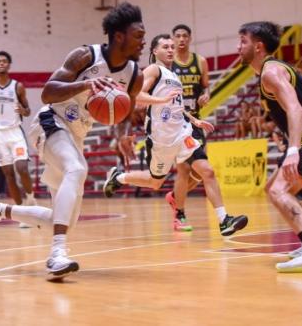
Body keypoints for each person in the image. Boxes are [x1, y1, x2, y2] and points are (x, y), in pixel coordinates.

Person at [0, 2, 145, 281]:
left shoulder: (135, 75)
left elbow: (127, 109)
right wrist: (85, 84)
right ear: (119, 36)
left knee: (62, 220)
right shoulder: (85, 56)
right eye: (138, 35)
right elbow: (48, 93)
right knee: (77, 169)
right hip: (51, 121)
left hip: (76, 135)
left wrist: (123, 136)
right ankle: (57, 254)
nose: (143, 42)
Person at [103, 34, 249, 236]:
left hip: (182, 133)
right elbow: (137, 97)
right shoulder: (153, 70)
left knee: (207, 171)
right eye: (165, 47)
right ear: (155, 51)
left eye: (172, 46)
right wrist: (161, 100)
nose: (171, 49)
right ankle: (119, 177)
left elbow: (176, 106)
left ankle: (224, 220)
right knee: (155, 182)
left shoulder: (174, 76)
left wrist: (194, 120)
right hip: (160, 138)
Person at [238, 21, 302, 273]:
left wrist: (293, 151)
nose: (238, 47)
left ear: (258, 46)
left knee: (280, 191)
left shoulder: (271, 72)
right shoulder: (269, 70)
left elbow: (295, 108)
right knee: (271, 188)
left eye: (243, 41)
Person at [0, 51, 37, 228]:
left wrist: (23, 110)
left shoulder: (17, 86)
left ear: (9, 65)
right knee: (9, 175)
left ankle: (31, 199)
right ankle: (21, 213)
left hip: (15, 132)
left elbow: (27, 110)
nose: (1, 63)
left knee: (22, 168)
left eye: (4, 61)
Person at [167, 24, 211, 230]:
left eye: (185, 36)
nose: (181, 39)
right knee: (184, 169)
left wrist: (206, 95)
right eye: (178, 36)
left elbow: (206, 86)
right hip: (177, 123)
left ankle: (175, 196)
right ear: (173, 39)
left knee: (200, 173)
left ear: (190, 38)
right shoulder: (168, 64)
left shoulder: (200, 61)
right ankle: (180, 215)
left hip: (196, 121)